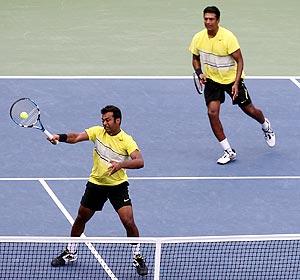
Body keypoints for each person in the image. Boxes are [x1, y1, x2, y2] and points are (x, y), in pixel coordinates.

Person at [49, 105, 148, 276]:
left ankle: (137, 256)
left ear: (118, 120)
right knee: (81, 217)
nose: (105, 123)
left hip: (118, 186)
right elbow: (77, 137)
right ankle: (71, 252)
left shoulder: (127, 140)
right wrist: (61, 137)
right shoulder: (97, 132)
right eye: (103, 120)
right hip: (96, 184)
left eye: (108, 120)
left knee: (128, 221)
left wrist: (121, 165)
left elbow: (139, 161)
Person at [189, 6, 276, 164]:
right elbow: (195, 58)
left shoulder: (228, 37)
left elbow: (240, 60)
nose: (208, 22)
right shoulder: (198, 38)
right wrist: (199, 72)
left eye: (211, 19)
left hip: (231, 80)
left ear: (218, 20)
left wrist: (236, 83)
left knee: (249, 109)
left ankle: (265, 124)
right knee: (212, 113)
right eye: (206, 18)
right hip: (212, 80)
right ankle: (228, 151)